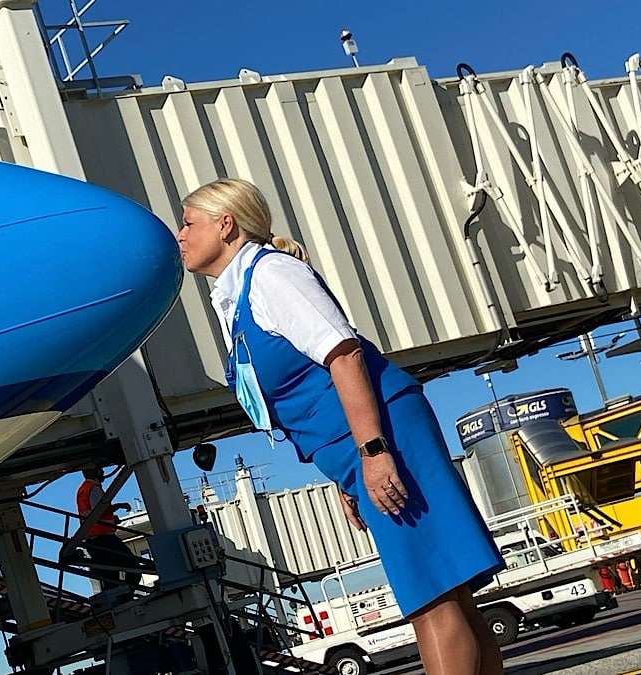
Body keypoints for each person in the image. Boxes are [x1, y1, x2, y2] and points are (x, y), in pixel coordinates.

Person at [176, 178, 507, 675]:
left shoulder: (272, 276)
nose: (178, 235)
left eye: (187, 222)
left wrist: (373, 451)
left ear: (226, 225)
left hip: (386, 431)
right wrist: (346, 472)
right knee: (448, 593)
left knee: (431, 599)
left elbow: (344, 354)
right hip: (359, 447)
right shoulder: (237, 296)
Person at [76, 465, 142, 592]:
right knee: (132, 567)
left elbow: (92, 513)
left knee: (110, 576)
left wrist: (112, 520)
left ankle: (117, 597)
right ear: (91, 471)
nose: (103, 471)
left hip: (92, 539)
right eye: (99, 469)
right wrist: (119, 505)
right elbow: (100, 509)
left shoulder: (82, 490)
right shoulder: (93, 488)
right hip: (103, 539)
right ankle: (126, 594)